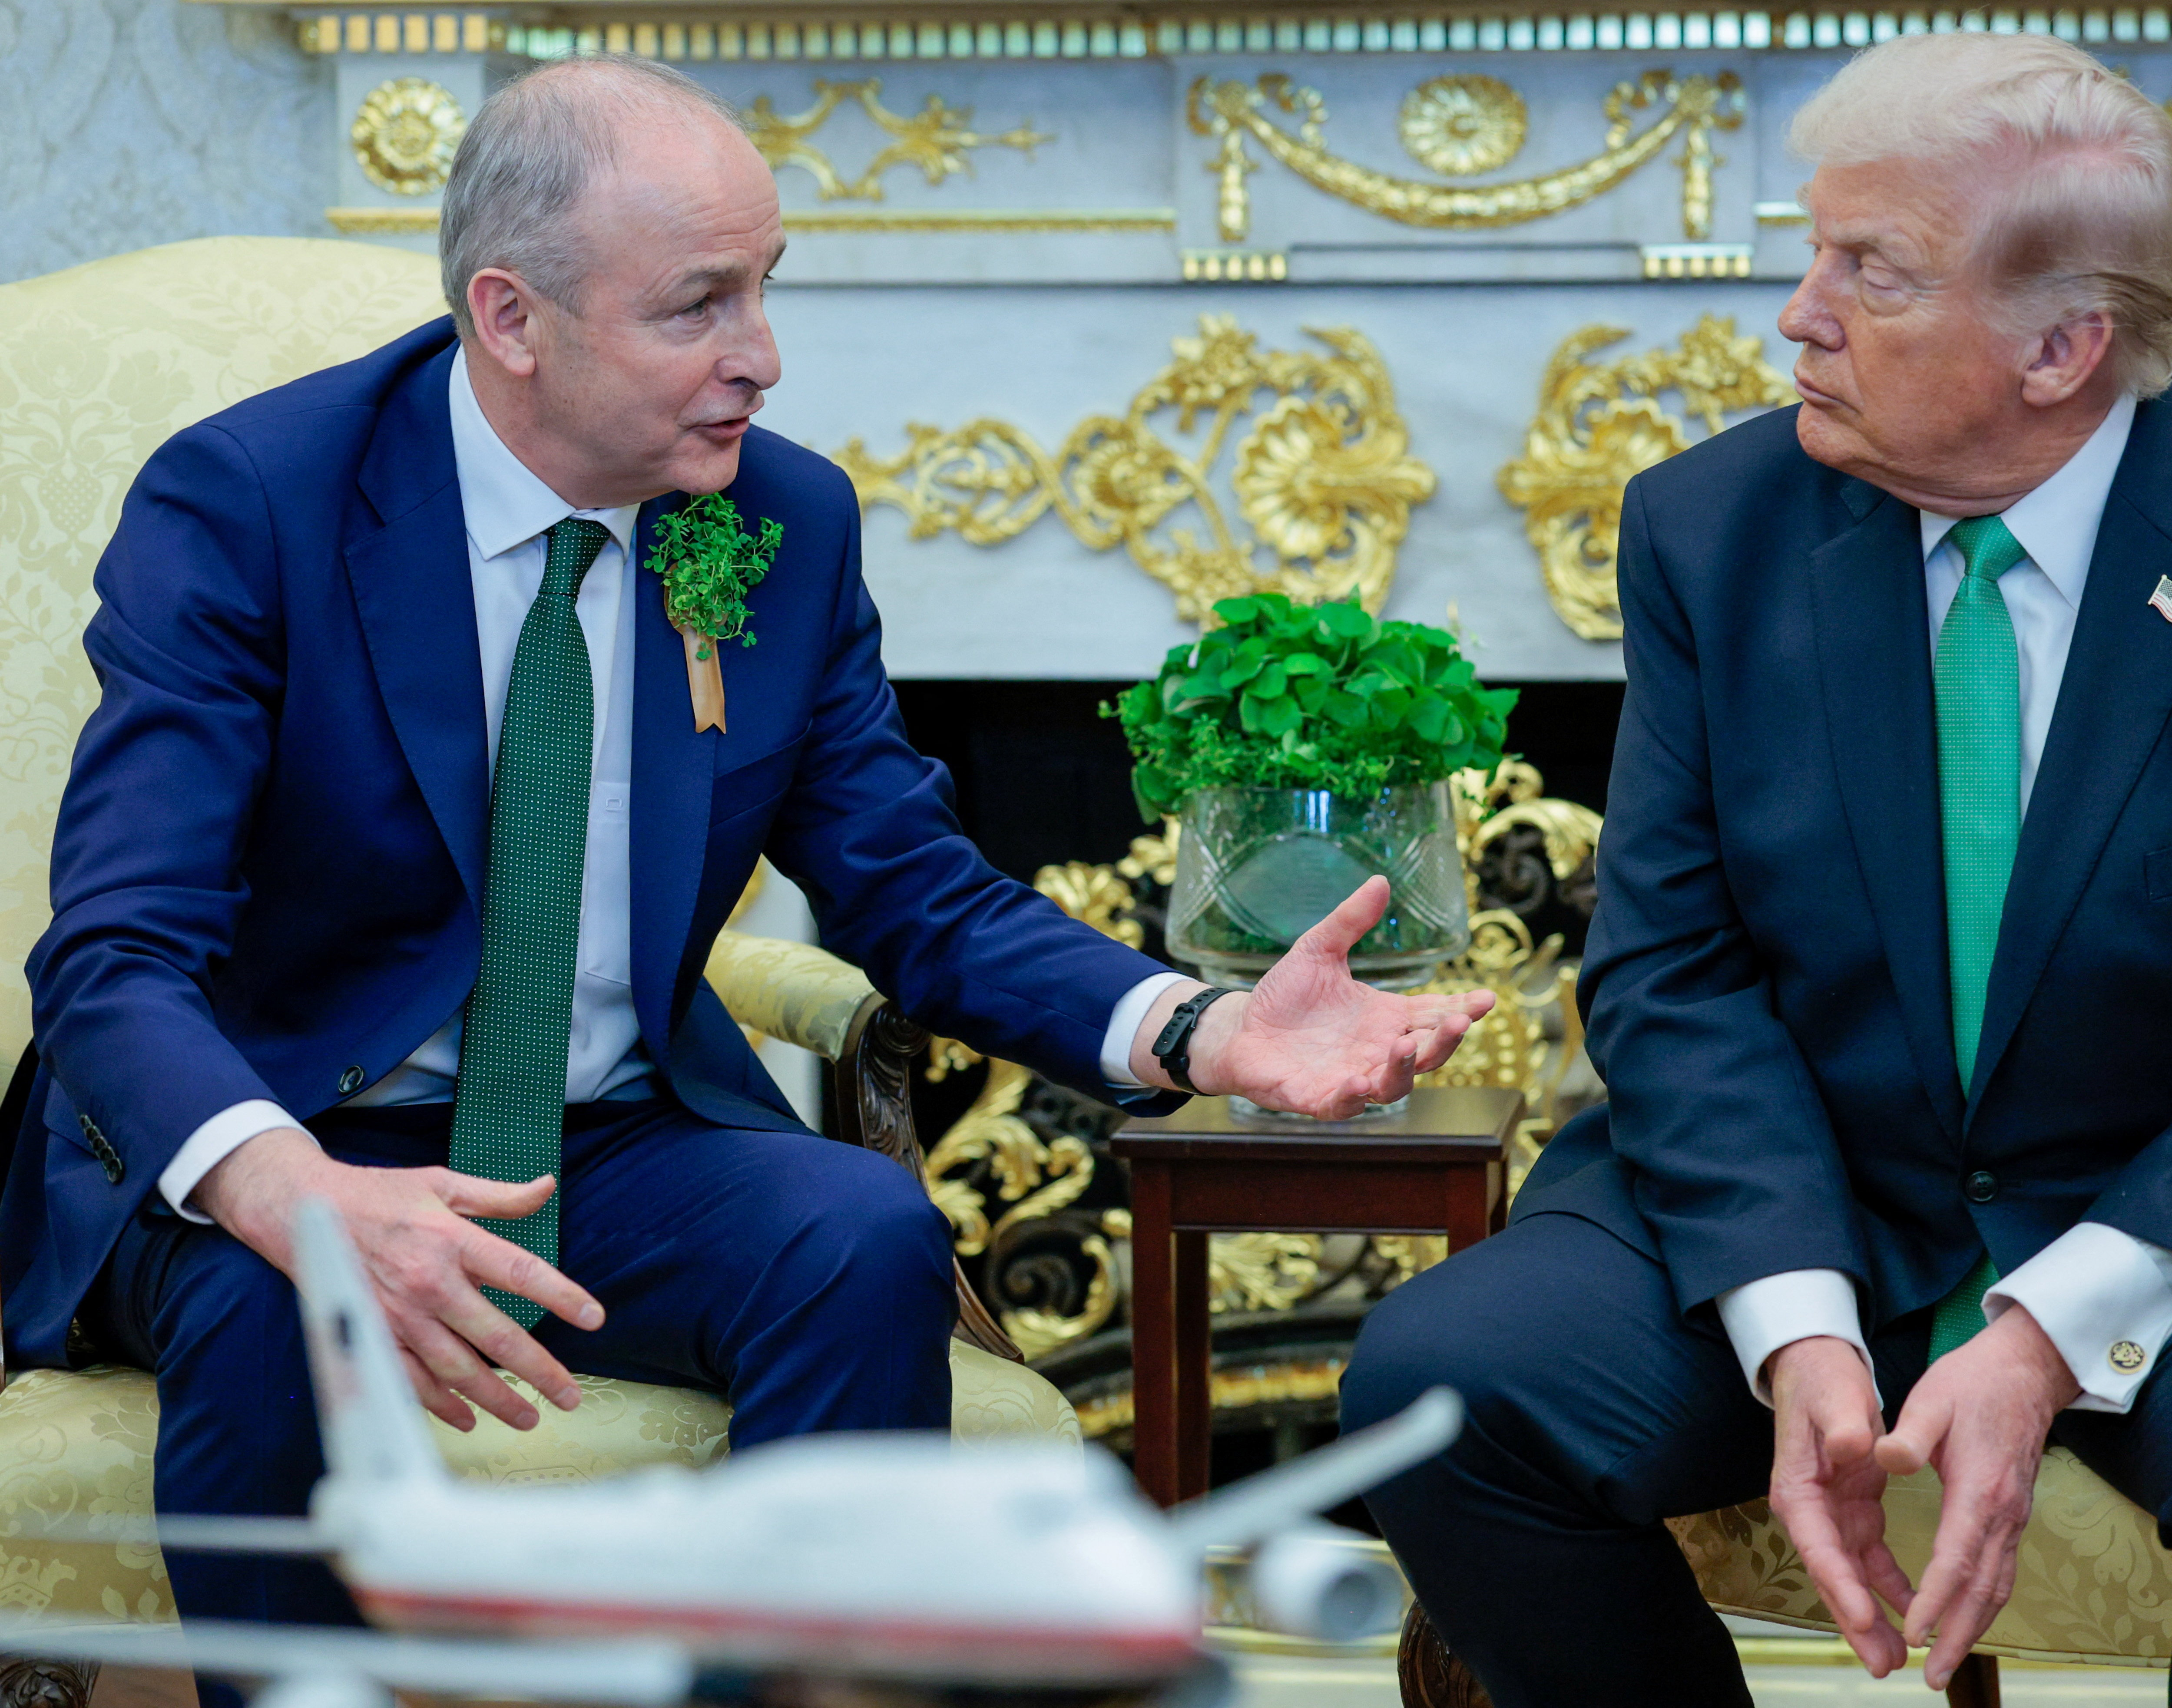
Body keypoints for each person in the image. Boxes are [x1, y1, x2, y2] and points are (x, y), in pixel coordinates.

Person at [6, 54, 1493, 1642]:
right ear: (510, 319)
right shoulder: (254, 502)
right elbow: (117, 952)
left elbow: (911, 886)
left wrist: (1202, 1028)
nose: (760, 358)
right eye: (696, 307)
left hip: (609, 1134)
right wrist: (285, 1189)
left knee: (862, 1235)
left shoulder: (772, 521)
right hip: (284, 1127)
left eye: (764, 290)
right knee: (277, 1311)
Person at [1343, 30, 2172, 1707]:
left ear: (2062, 344)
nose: (1798, 315)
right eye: (1812, 249)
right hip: (1821, 1184)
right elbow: (1671, 970)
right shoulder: (1714, 525)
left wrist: (2052, 1328)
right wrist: (1794, 1319)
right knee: (1443, 1385)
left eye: (1869, 272)